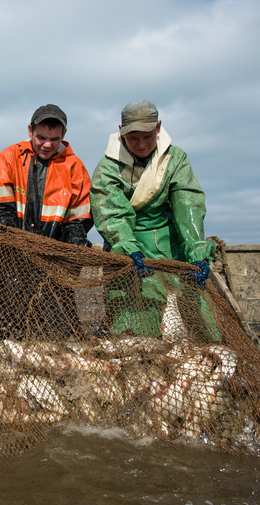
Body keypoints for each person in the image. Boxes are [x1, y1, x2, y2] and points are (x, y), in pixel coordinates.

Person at [90, 100, 216, 337]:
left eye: (147, 136)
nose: (141, 144)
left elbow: (187, 204)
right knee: (132, 325)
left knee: (200, 320)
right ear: (121, 131)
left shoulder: (175, 158)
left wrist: (197, 251)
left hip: (174, 246)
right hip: (129, 247)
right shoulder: (108, 168)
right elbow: (112, 214)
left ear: (158, 128)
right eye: (133, 138)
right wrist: (128, 249)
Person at [0, 104, 93, 340]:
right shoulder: (8, 157)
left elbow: (77, 223)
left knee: (56, 335)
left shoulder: (75, 168)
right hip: (9, 261)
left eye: (54, 138)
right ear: (30, 130)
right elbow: (1, 212)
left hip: (53, 266)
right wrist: (19, 247)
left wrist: (74, 248)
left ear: (64, 135)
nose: (47, 144)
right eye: (41, 137)